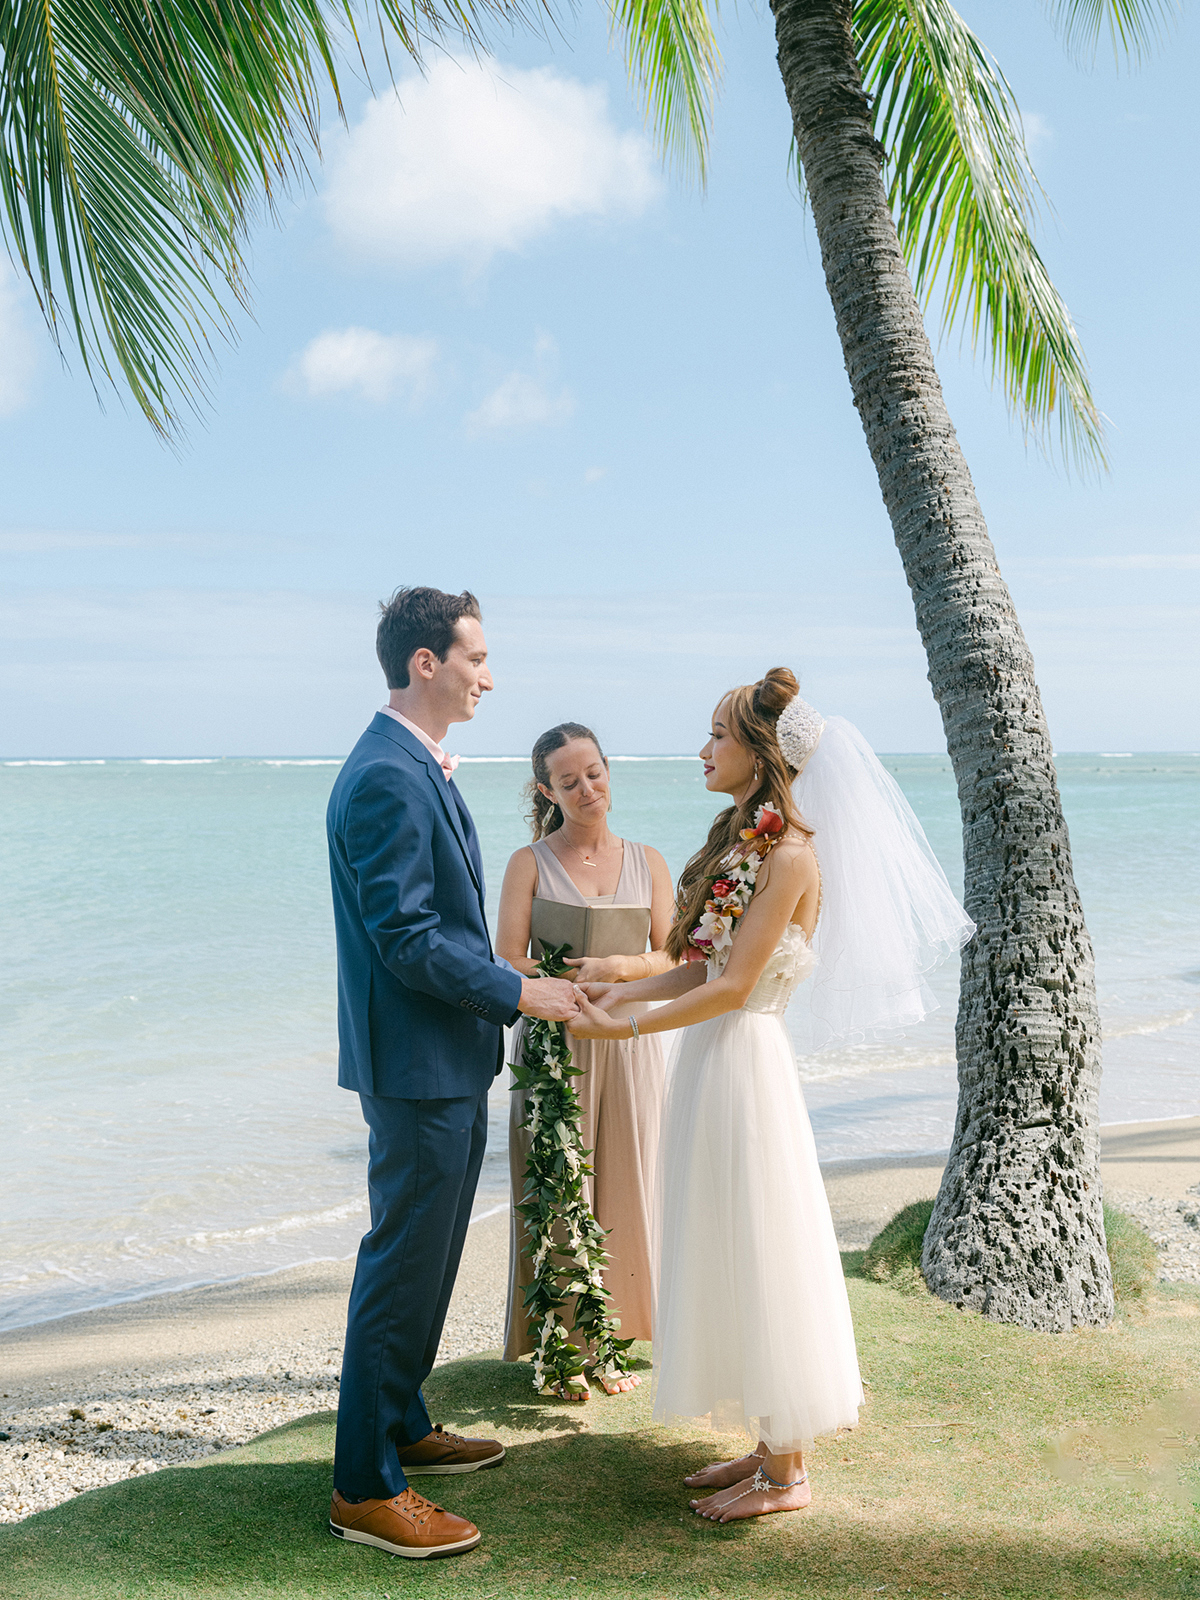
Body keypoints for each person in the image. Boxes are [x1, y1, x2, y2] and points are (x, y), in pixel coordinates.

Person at [570, 668, 973, 1523]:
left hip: (746, 1060)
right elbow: (700, 967)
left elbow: (736, 985)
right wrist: (619, 988)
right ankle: (765, 1445)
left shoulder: (789, 856)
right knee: (725, 1235)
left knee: (759, 1240)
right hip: (716, 1059)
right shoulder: (747, 844)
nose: (704, 748)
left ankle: (789, 1475)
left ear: (760, 756)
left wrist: (626, 1033)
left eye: (719, 734)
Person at [325, 586, 581, 1561]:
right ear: (426, 662)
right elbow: (407, 937)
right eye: (476, 655)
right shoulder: (388, 774)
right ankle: (363, 1484)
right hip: (417, 1065)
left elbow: (437, 924)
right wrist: (520, 992)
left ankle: (402, 1420)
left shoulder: (411, 763)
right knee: (400, 1265)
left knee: (428, 1259)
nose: (489, 673)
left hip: (442, 1057)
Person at [496, 722, 677, 1395]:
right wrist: (557, 982)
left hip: (628, 1042)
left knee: (630, 1183)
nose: (587, 789)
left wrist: (617, 965)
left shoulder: (649, 860)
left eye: (594, 773)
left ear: (608, 771)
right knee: (559, 1190)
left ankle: (617, 1340)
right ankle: (563, 1342)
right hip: (556, 1050)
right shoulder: (529, 862)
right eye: (569, 781)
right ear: (547, 789)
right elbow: (506, 958)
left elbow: (674, 953)